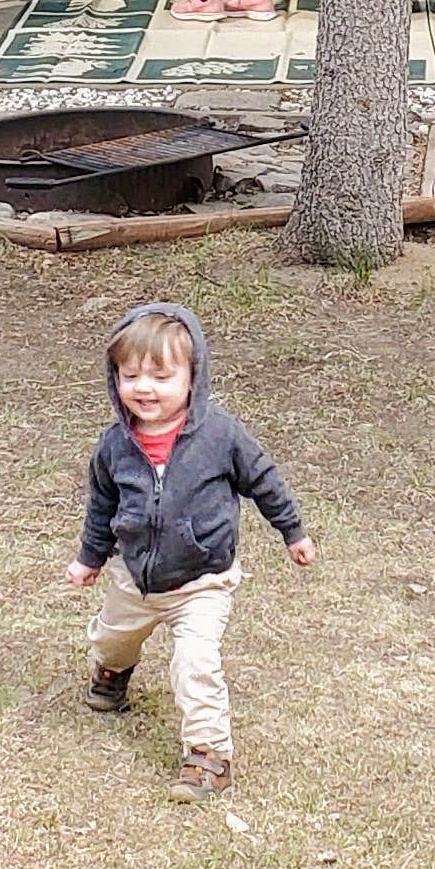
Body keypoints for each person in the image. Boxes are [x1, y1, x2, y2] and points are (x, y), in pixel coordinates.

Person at [68, 302, 312, 798]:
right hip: (134, 578)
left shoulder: (220, 436)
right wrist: (90, 558)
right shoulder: (114, 445)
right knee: (112, 639)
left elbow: (264, 482)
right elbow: (102, 507)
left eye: (160, 376)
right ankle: (114, 670)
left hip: (203, 579)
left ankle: (208, 756)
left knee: (195, 662)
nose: (143, 388)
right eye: (130, 375)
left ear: (193, 377)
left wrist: (293, 532)